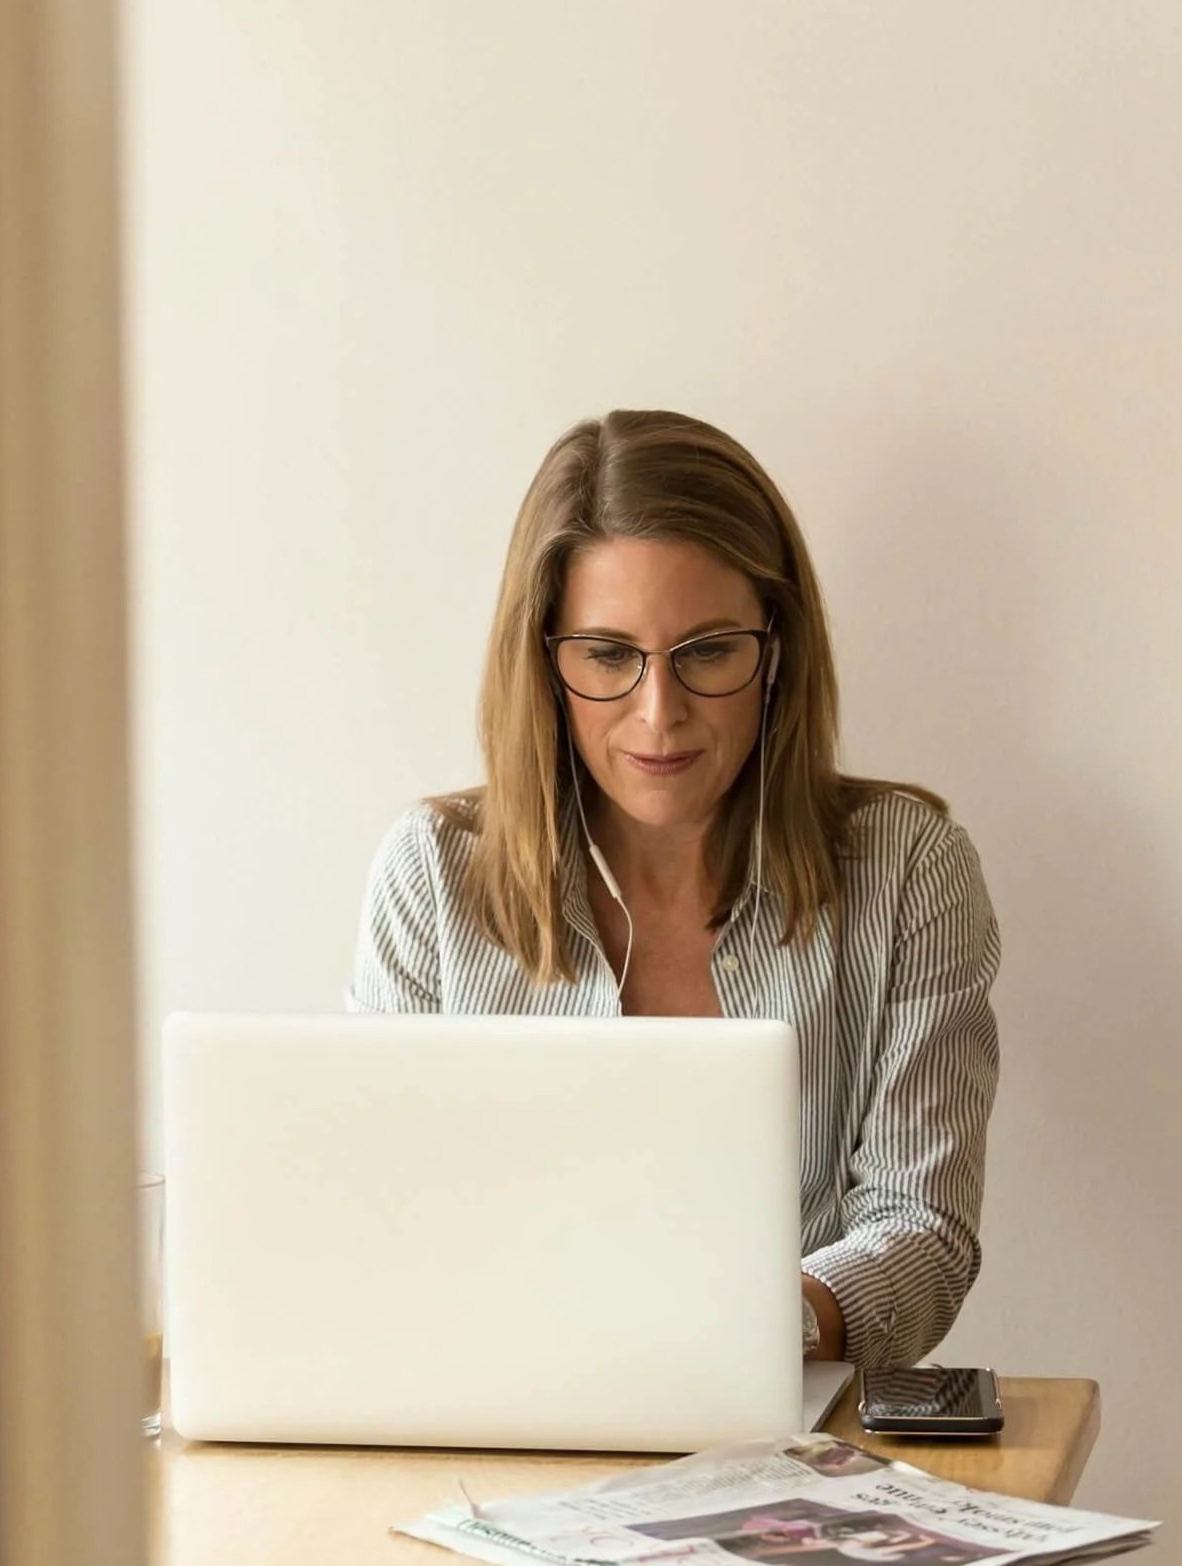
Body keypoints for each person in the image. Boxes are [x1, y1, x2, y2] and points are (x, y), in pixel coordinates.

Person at [346, 408, 1001, 1368]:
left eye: (707, 652)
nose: (660, 715)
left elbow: (924, 1232)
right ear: (545, 662)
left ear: (774, 650)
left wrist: (738, 1337)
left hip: (794, 1440)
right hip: (493, 1423)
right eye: (609, 655)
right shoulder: (432, 875)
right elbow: (379, 1218)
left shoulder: (907, 869)